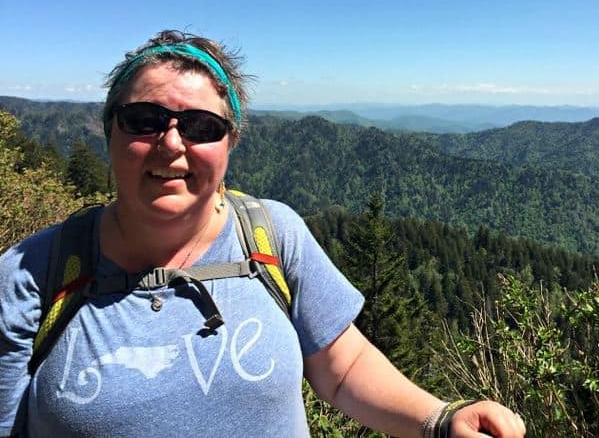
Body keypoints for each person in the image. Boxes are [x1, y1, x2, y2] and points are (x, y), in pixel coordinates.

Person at [0, 30, 526, 438]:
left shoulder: (272, 235)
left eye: (201, 127)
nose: (172, 144)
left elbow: (342, 367)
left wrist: (440, 420)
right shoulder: (32, 274)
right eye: (144, 119)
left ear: (230, 144)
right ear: (109, 128)